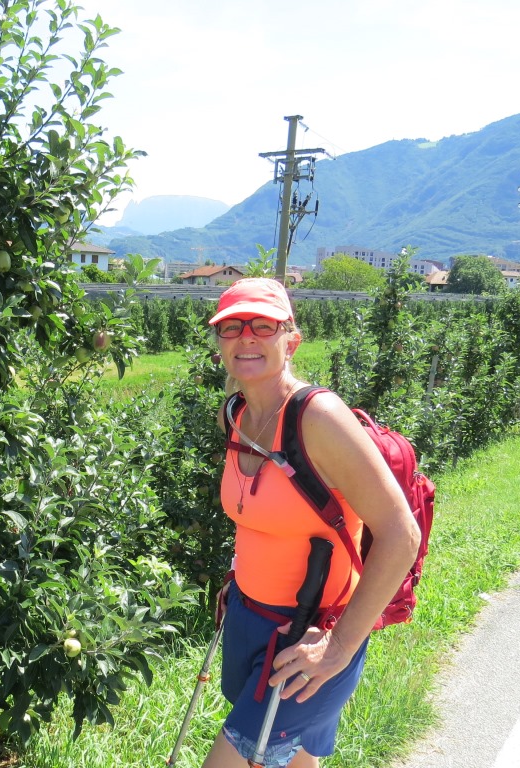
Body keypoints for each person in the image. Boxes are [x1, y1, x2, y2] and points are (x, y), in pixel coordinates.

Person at [201, 278, 420, 768]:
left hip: (309, 638)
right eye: (231, 327)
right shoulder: (233, 416)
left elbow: (402, 535)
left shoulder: (317, 418)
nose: (246, 338)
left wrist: (340, 645)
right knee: (297, 759)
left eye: (263, 325)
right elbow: (259, 513)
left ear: (291, 340)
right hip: (248, 617)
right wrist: (243, 575)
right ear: (218, 344)